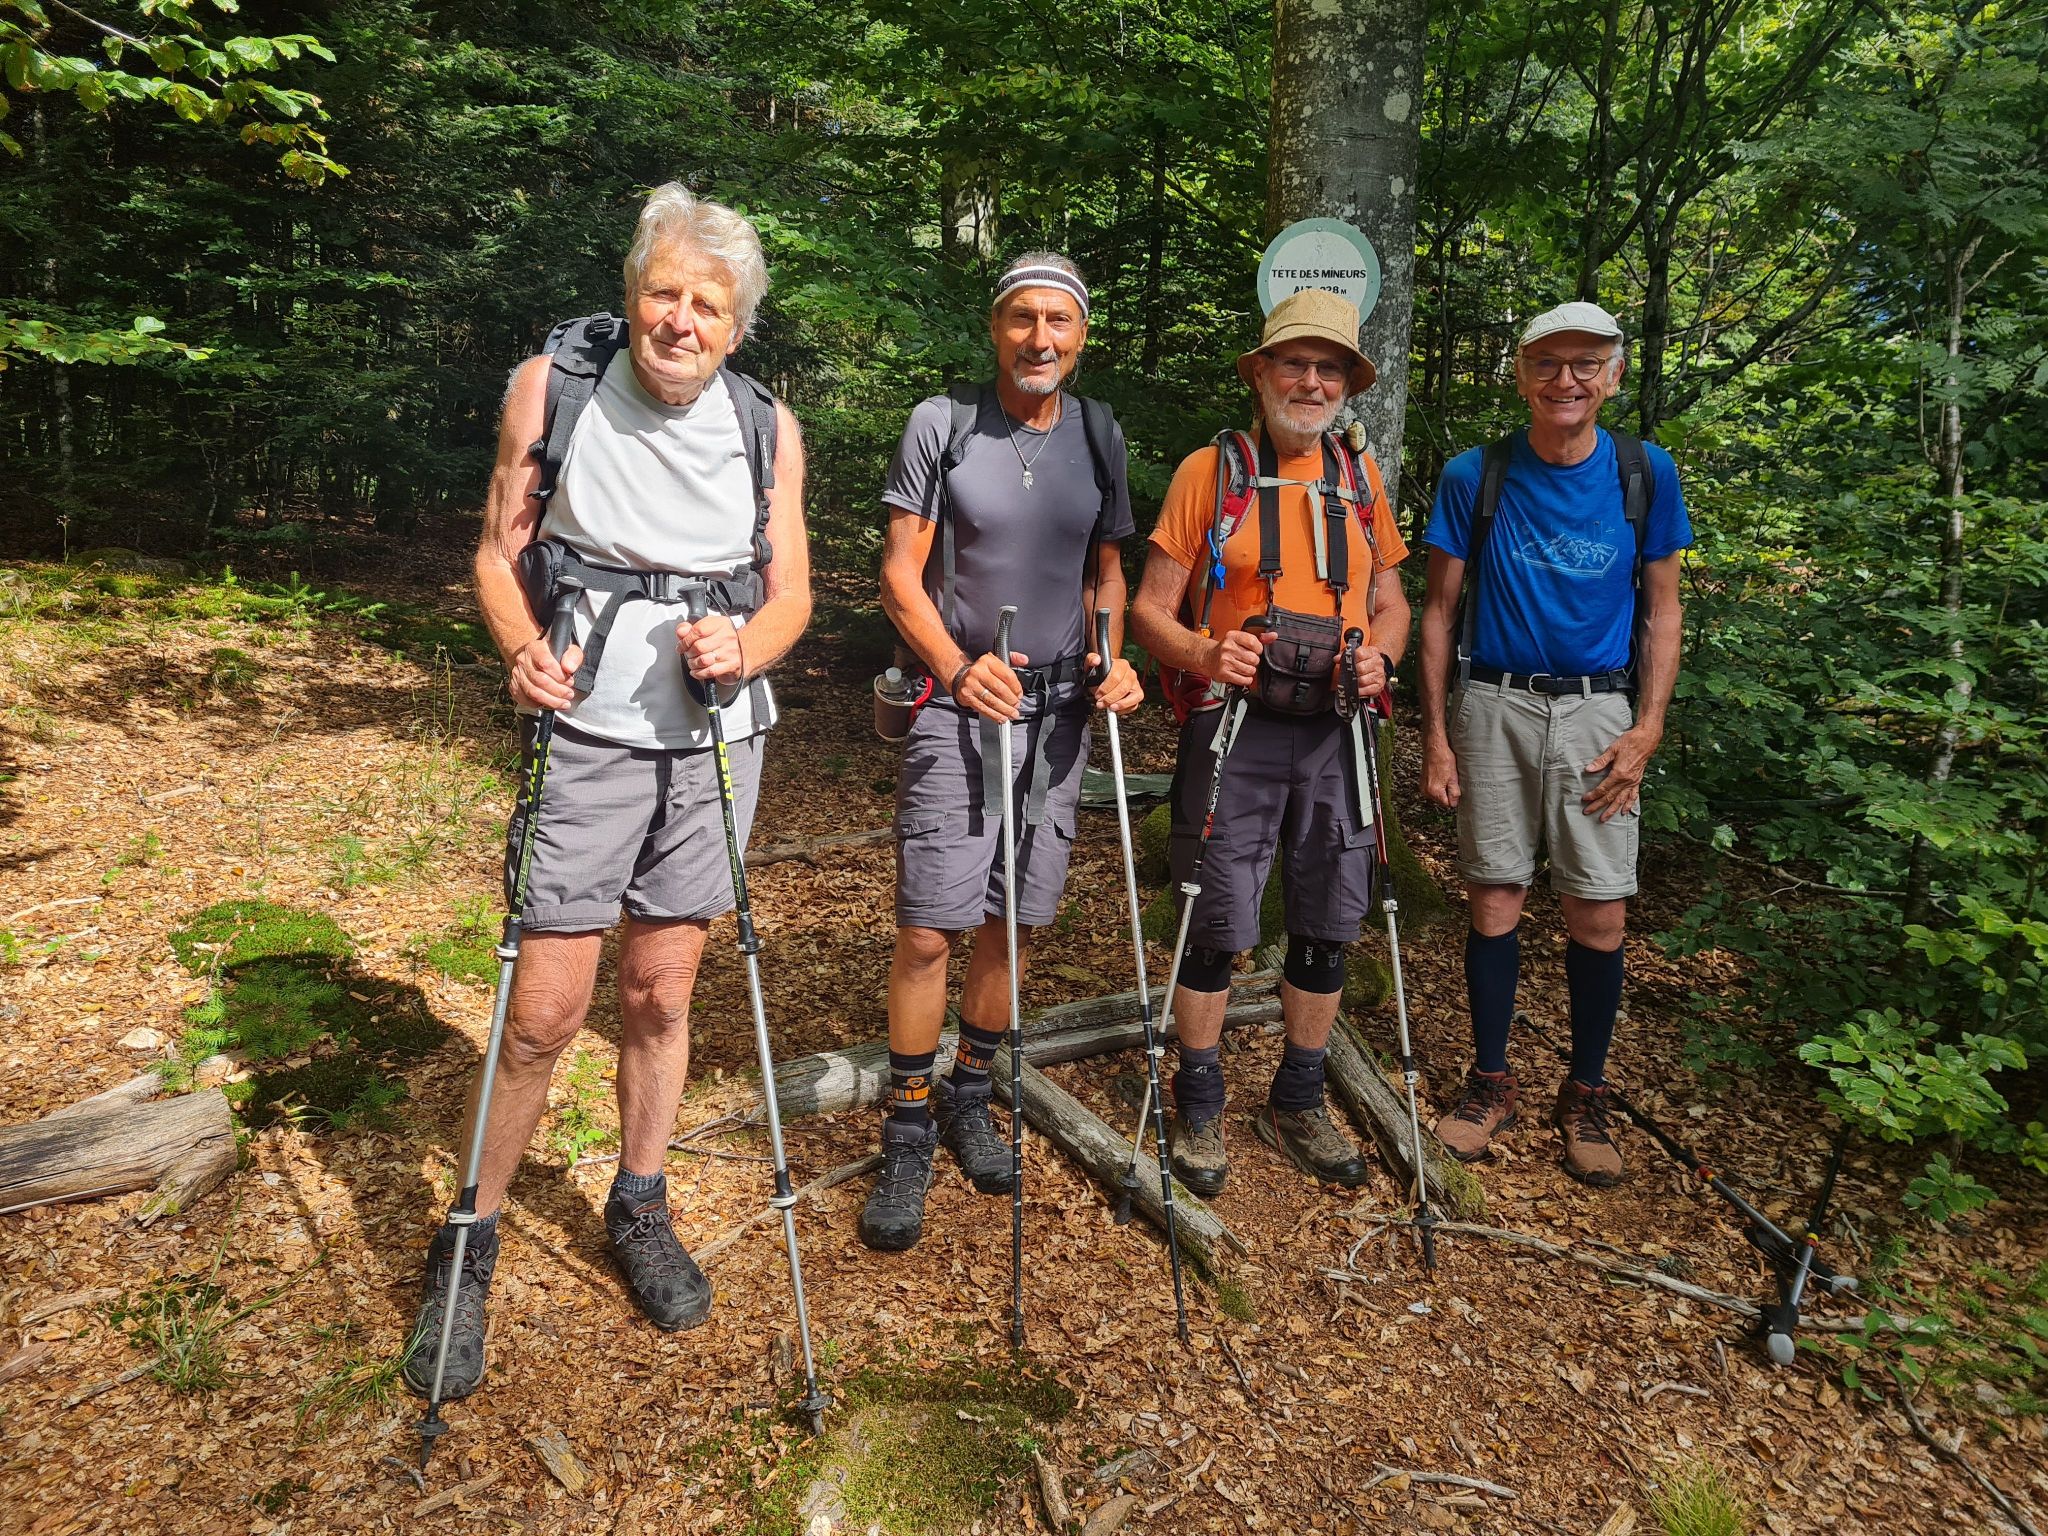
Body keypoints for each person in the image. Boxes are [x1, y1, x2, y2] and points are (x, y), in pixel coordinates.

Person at [402, 184, 811, 1401]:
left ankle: (638, 1202)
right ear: (631, 295)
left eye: (707, 304)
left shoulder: (765, 426)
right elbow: (497, 548)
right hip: (584, 731)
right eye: (662, 293)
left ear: (737, 325)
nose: (680, 321)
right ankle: (468, 1238)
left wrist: (748, 645)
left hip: (714, 740)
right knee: (543, 1012)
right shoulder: (553, 388)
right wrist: (518, 647)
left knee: (660, 991)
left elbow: (790, 594)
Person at [860, 251, 1143, 1251]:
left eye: (1058, 321)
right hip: (957, 706)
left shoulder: (1098, 434)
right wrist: (953, 666)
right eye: (1022, 318)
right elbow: (899, 574)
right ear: (995, 328)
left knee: (1011, 923)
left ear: (1081, 334)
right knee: (929, 927)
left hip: (1059, 714)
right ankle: (906, 1127)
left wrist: (1112, 654)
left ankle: (968, 1094)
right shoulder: (942, 425)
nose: (1039, 338)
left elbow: (1108, 572)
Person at [1128, 286, 1411, 1195]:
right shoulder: (1209, 474)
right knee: (1214, 921)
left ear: (1348, 385)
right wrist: (1205, 652)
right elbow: (1147, 610)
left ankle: (1297, 1097)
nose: (1312, 383)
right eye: (1295, 363)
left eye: (1330, 369)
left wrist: (1383, 659)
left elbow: (1392, 603)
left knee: (1329, 920)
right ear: (1261, 374)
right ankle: (1201, 1100)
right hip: (1235, 726)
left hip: (1337, 726)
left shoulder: (1358, 479)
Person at [1415, 300, 1691, 1187]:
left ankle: (1588, 1092)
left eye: (1585, 364)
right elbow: (1437, 612)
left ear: (1613, 374)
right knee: (1494, 898)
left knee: (1599, 910)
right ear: (1521, 374)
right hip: (1493, 703)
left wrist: (1648, 727)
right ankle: (1490, 1080)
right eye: (1546, 363)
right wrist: (1436, 736)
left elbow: (1663, 609)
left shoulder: (1644, 473)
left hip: (1600, 714)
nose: (1564, 380)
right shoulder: (1477, 474)